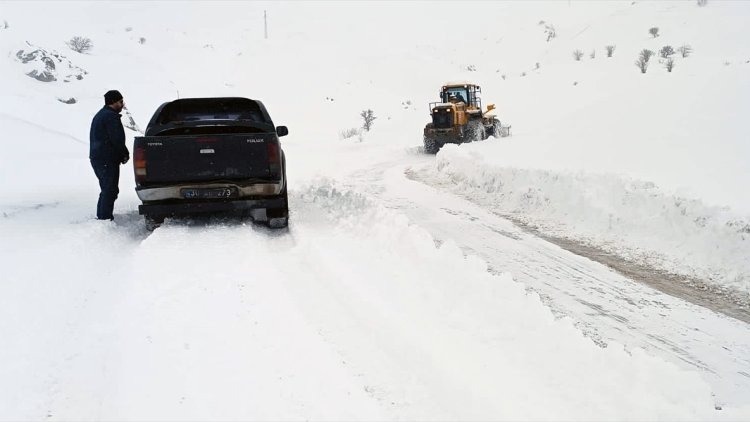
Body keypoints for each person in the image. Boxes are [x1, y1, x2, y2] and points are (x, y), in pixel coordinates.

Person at [89, 90, 129, 220]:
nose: (122, 104)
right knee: (109, 189)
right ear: (113, 102)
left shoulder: (102, 115)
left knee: (108, 188)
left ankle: (103, 217)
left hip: (100, 158)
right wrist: (124, 153)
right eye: (120, 101)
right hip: (106, 159)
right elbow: (116, 139)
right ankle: (104, 219)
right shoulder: (110, 117)